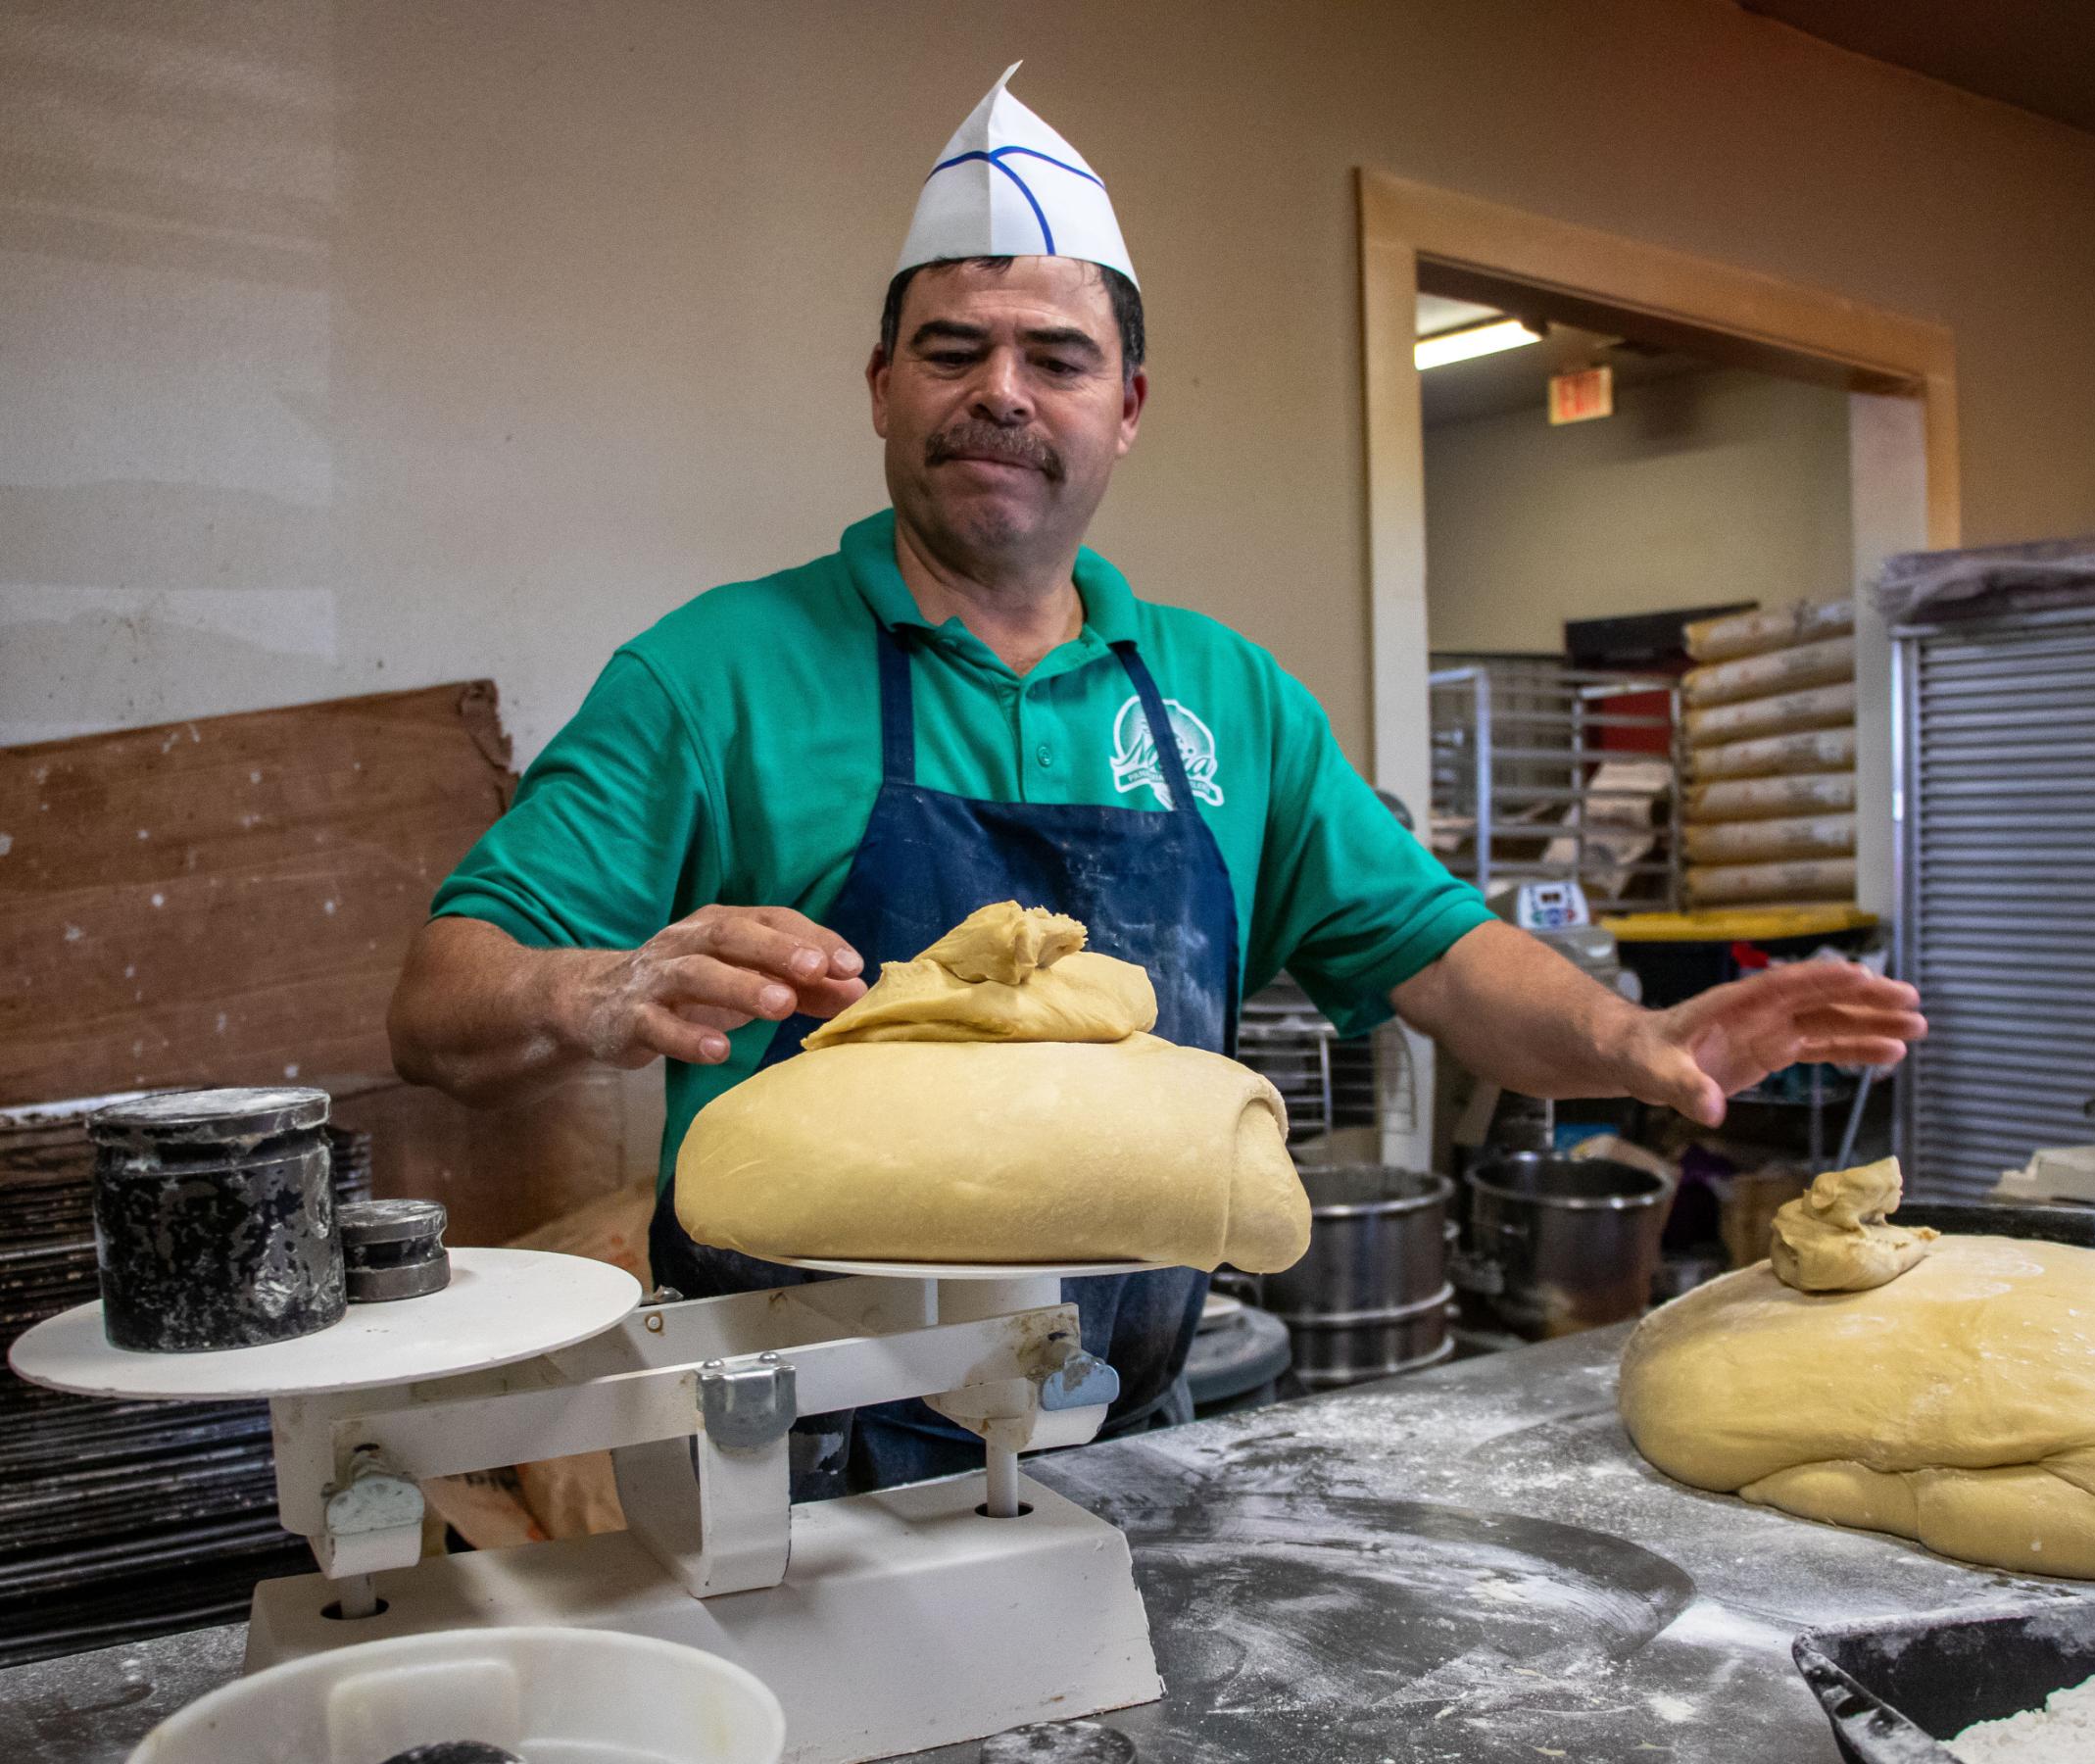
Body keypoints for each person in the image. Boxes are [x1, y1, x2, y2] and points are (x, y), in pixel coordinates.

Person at [389, 66, 1923, 1494]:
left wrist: (1634, 1038)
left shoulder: (1229, 698)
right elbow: (442, 1000)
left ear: (1127, 408)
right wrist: (589, 993)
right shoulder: (713, 673)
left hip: (1125, 1430)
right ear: (878, 387)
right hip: (788, 1448)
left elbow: (1440, 957)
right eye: (952, 350)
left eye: (1056, 358)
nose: (1002, 389)